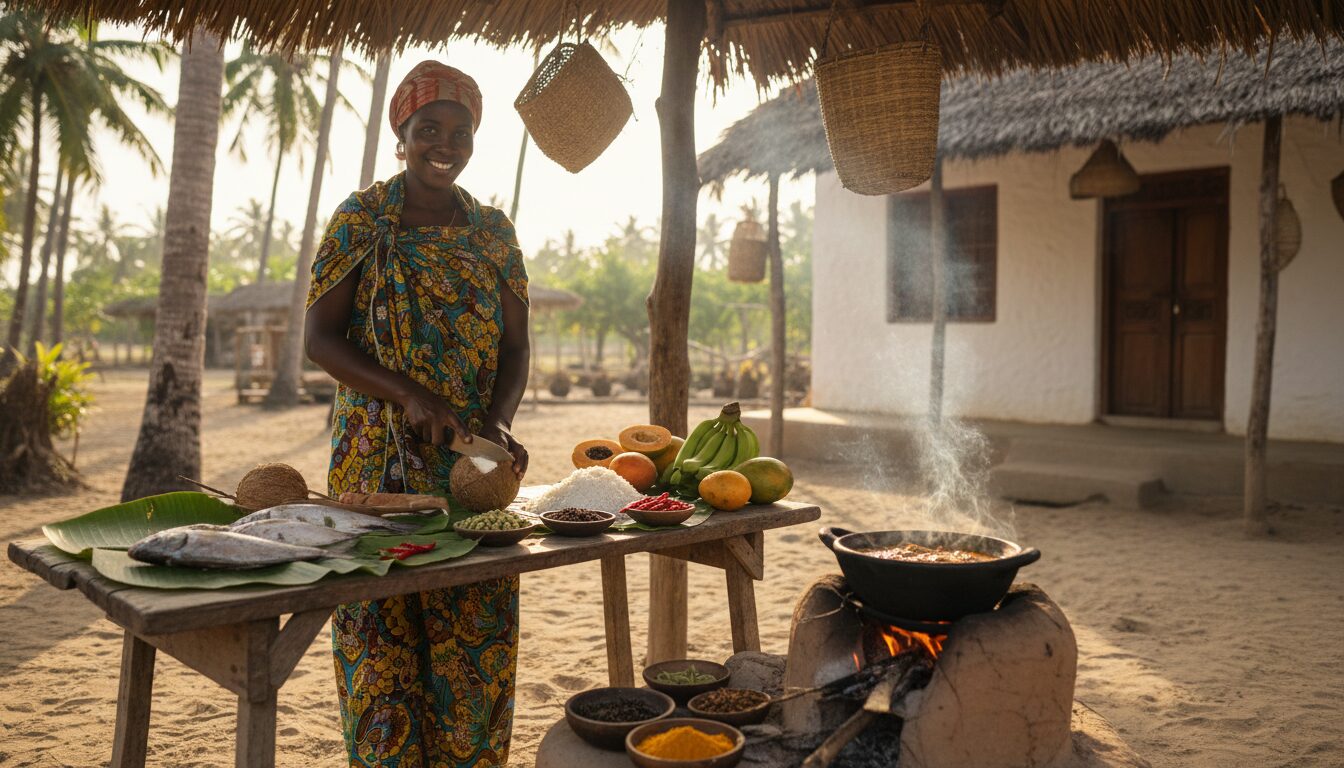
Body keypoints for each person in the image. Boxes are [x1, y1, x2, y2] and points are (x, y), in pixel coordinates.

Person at [304, 61, 530, 767]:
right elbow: (318, 339)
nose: (446, 143)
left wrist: (496, 423)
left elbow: (518, 346)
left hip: (471, 473)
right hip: (376, 469)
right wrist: (405, 392)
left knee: (474, 650)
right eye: (428, 128)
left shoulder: (492, 231)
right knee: (382, 651)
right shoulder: (362, 220)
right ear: (401, 136)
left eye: (460, 132)